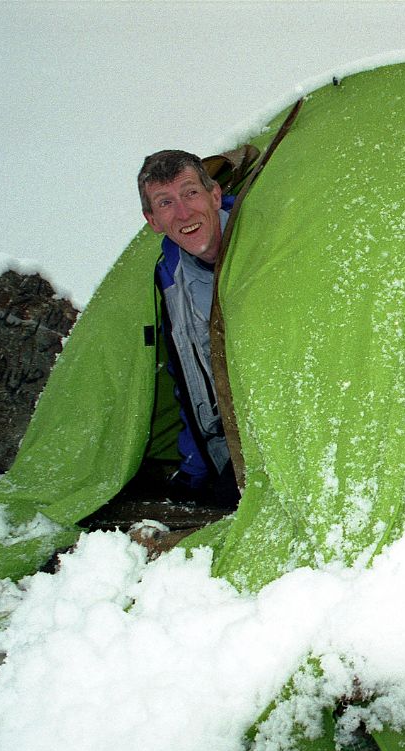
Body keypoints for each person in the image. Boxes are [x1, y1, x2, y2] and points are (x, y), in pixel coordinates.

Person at [137, 149, 237, 506]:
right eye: (165, 203)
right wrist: (195, 469)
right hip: (236, 451)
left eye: (190, 193)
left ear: (213, 195)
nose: (183, 213)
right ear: (153, 221)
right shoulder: (172, 279)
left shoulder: (265, 238)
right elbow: (190, 381)